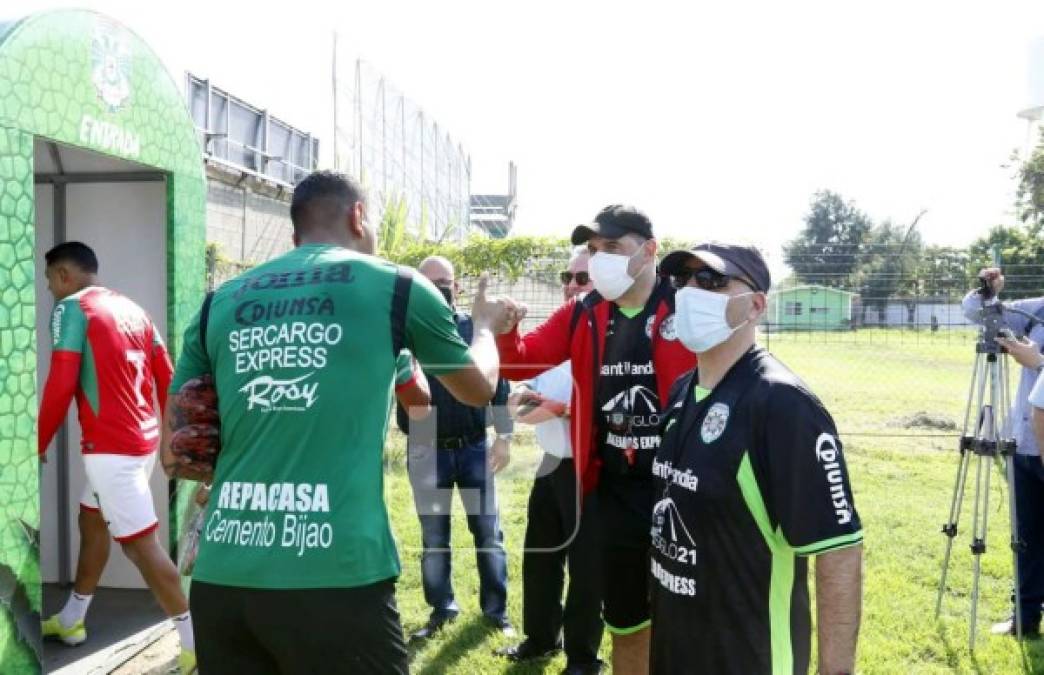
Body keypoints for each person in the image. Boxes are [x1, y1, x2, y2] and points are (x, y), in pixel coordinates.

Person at [162, 171, 503, 675]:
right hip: (336, 575)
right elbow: (474, 390)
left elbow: (174, 455)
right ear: (358, 216)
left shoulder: (220, 301)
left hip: (224, 577)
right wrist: (488, 327)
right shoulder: (397, 288)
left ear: (295, 233)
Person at [491, 205, 697, 674]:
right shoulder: (583, 313)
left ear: (648, 252)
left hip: (680, 488)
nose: (599, 259)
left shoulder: (684, 308)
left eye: (612, 248)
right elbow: (521, 364)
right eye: (593, 249)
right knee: (626, 615)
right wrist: (507, 333)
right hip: (612, 490)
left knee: (684, 610)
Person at [651, 242, 863, 674]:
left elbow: (838, 549)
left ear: (755, 305)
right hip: (676, 649)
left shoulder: (783, 404)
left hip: (750, 656)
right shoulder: (680, 392)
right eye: (681, 280)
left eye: (710, 280)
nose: (690, 291)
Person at [36, 242, 196, 674]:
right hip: (139, 444)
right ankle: (72, 620)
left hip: (112, 451)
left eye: (49, 277)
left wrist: (35, 442)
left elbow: (60, 383)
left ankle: (196, 642)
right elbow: (169, 377)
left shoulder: (70, 309)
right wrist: (167, 438)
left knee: (141, 548)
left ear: (65, 275)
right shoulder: (132, 308)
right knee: (91, 520)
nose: (48, 286)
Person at [396, 255, 515, 641]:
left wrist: (505, 437)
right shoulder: (405, 333)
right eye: (429, 283)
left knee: (488, 534)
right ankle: (441, 609)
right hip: (426, 450)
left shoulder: (474, 330)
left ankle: (496, 613)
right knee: (434, 539)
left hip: (473, 447)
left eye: (444, 282)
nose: (438, 289)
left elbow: (499, 388)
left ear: (457, 287)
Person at [497, 247, 604, 674]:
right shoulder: (557, 336)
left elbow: (605, 410)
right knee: (539, 556)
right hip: (551, 464)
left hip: (586, 471)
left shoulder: (608, 343)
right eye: (568, 276)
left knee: (585, 568)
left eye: (582, 279)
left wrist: (558, 407)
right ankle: (541, 638)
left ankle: (582, 657)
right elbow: (517, 397)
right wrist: (536, 403)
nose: (571, 286)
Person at [963, 268, 1044, 637]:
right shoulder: (1038, 310)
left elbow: (1037, 362)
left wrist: (1039, 362)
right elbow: (975, 312)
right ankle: (1024, 618)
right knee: (1026, 536)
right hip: (1025, 443)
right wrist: (988, 293)